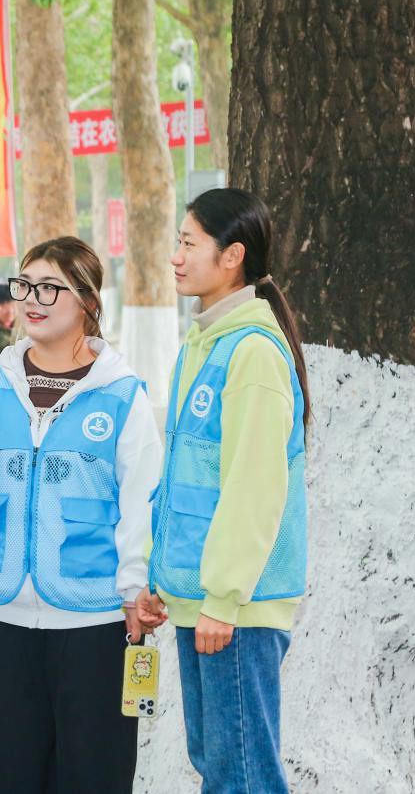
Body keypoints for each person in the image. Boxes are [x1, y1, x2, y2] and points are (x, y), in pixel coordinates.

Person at [0, 237, 162, 794]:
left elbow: (142, 503)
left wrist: (136, 588)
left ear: (86, 299)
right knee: (7, 773)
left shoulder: (122, 395)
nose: (32, 299)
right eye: (24, 285)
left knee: (94, 774)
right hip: (0, 614)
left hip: (95, 620)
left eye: (50, 287)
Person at [135, 188, 310, 794]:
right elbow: (187, 477)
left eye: (188, 243)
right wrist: (164, 581)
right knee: (219, 764)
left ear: (231, 255)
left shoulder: (253, 354)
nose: (176, 256)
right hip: (204, 599)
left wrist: (224, 599)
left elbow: (254, 489)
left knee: (241, 776)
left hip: (235, 609)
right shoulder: (202, 345)